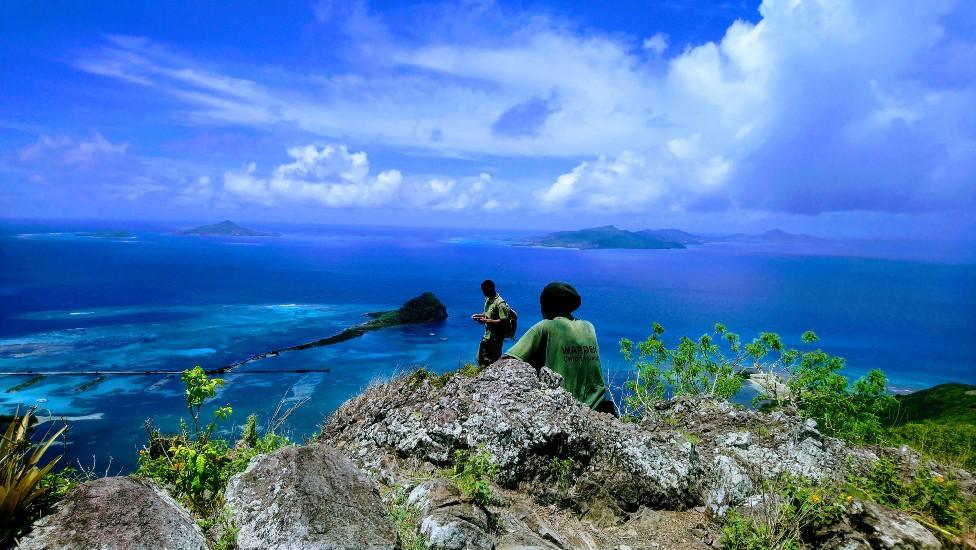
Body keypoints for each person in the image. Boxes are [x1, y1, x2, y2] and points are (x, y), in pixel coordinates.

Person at [504, 282, 614, 414]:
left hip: (564, 407)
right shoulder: (589, 327)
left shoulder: (546, 326)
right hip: (597, 407)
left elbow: (508, 361)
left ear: (546, 306)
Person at [471, 279, 510, 366]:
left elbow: (504, 321)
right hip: (487, 335)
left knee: (493, 361)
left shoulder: (500, 304)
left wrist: (487, 321)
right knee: (481, 358)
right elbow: (489, 313)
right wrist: (479, 315)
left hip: (496, 339)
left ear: (490, 289)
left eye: (484, 291)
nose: (483, 293)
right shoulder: (488, 300)